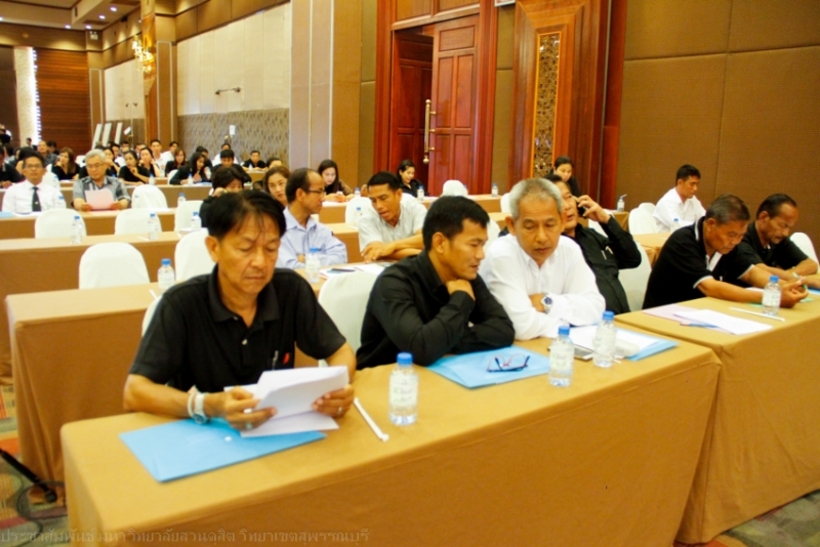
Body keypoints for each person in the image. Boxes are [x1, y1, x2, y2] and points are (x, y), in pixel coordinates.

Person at [123, 190, 356, 430]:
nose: (260, 262)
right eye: (245, 249)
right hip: (206, 431)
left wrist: (336, 389)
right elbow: (135, 391)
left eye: (271, 249)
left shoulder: (290, 290)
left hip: (275, 428)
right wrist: (209, 405)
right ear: (214, 248)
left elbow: (341, 352)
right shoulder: (182, 303)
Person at [356, 196, 514, 369]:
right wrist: (461, 299)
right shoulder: (394, 282)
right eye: (473, 245)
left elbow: (503, 329)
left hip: (437, 372)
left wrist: (441, 341)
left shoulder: (466, 274)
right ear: (440, 243)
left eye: (482, 245)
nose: (481, 255)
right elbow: (421, 350)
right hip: (386, 378)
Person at [479, 178, 604, 339]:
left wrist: (547, 301)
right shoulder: (501, 255)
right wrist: (569, 322)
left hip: (556, 347)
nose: (542, 237)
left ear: (562, 220)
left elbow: (595, 308)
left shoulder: (569, 249)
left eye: (550, 225)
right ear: (511, 225)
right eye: (530, 227)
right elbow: (520, 326)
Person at [643, 194, 807, 309]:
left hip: (699, 313)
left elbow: (751, 273)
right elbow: (710, 287)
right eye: (732, 235)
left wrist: (785, 287)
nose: (736, 241)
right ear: (711, 225)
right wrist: (770, 297)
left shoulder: (726, 246)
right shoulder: (683, 242)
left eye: (741, 236)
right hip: (662, 316)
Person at [553, 176, 641, 314]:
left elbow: (632, 259)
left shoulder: (591, 236)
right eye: (557, 201)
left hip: (621, 319)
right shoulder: (550, 249)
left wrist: (606, 220)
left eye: (568, 197)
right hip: (587, 323)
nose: (567, 206)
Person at [735, 194, 820, 289]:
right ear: (763, 217)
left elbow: (811, 264)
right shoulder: (741, 239)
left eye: (789, 228)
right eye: (783, 225)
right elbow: (760, 271)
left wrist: (789, 275)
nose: (786, 233)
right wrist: (807, 281)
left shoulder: (777, 239)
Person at [276, 168, 347, 269]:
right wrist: (321, 259)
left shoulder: (321, 229)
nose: (323, 198)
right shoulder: (276, 230)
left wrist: (306, 258)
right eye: (319, 192)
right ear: (300, 194)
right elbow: (290, 269)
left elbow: (341, 258)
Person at [358, 171, 427, 262]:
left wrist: (393, 246)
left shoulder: (415, 209)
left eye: (383, 198)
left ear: (399, 194)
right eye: (373, 200)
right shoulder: (366, 219)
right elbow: (376, 252)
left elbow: (425, 239)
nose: (378, 206)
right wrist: (422, 254)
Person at [653, 164, 706, 233]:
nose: (695, 188)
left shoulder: (693, 199)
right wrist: (700, 225)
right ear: (680, 182)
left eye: (697, 184)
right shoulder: (667, 201)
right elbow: (677, 226)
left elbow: (703, 217)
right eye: (692, 184)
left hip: (686, 237)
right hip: (665, 239)